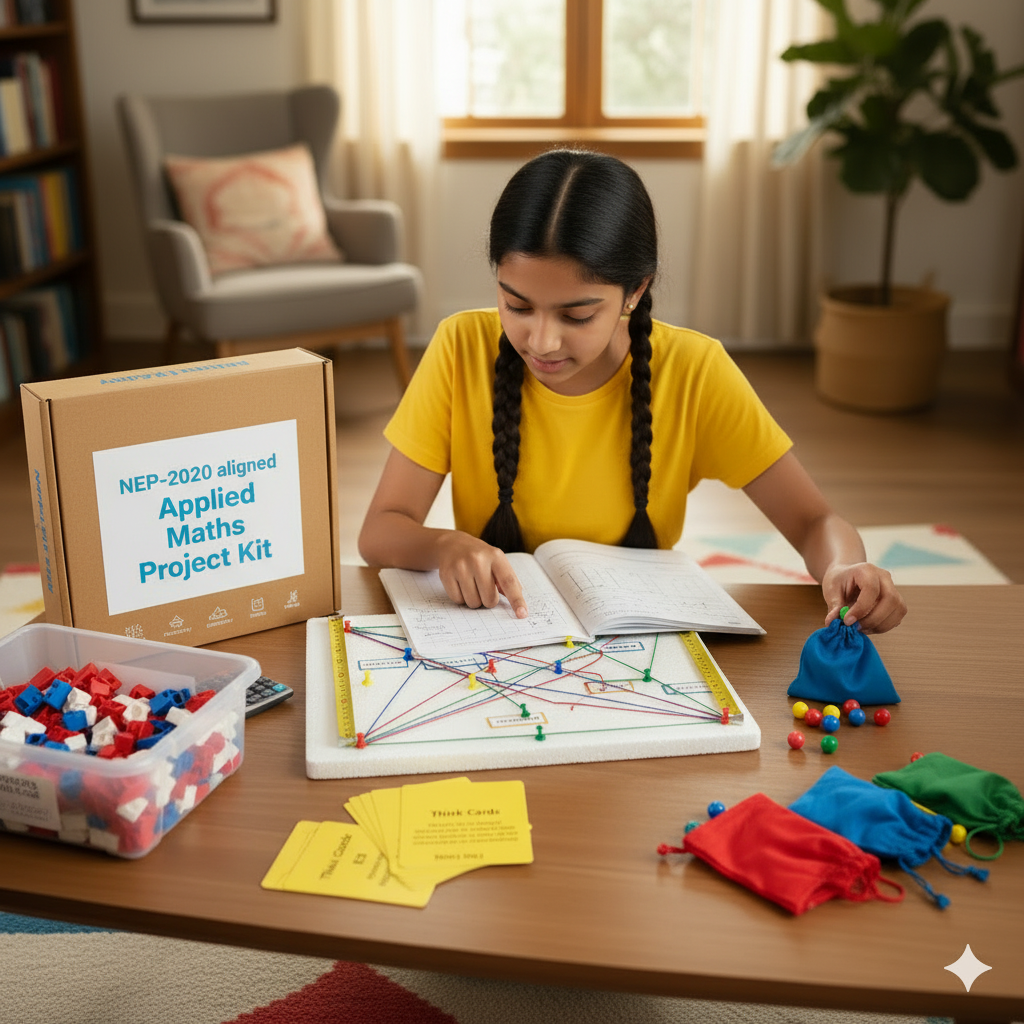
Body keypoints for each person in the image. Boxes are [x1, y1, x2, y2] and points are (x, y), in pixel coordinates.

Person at [359, 150, 907, 635]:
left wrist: (841, 568)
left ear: (635, 290)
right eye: (517, 305)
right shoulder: (459, 346)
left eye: (576, 314)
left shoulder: (696, 370)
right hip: (495, 636)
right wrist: (444, 545)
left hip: (641, 645)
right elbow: (381, 530)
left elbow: (815, 522)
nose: (541, 341)